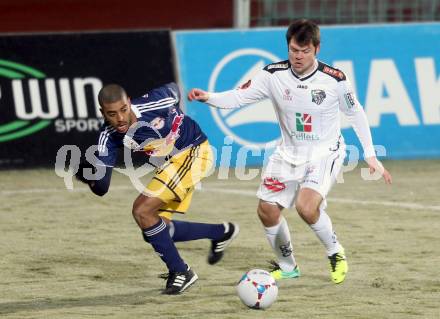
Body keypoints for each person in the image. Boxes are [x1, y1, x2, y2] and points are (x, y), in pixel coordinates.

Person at [187, 19, 392, 284]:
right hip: (287, 154)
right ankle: (287, 266)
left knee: (306, 207)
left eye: (304, 51)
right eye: (294, 50)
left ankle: (335, 252)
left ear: (316, 49)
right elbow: (239, 97)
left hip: (325, 153)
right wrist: (209, 97)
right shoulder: (272, 75)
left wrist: (370, 153)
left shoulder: (335, 79)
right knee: (267, 210)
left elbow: (355, 112)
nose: (298, 56)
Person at [75, 82, 239, 294]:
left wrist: (184, 109)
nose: (120, 119)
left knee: (142, 211)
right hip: (173, 164)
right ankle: (221, 232)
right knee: (155, 227)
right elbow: (102, 187)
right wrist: (87, 176)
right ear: (102, 113)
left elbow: (174, 90)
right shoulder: (108, 135)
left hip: (194, 151)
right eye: (112, 114)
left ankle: (181, 272)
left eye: (124, 110)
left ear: (129, 103)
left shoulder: (154, 101)